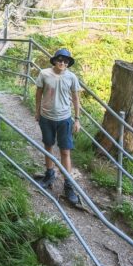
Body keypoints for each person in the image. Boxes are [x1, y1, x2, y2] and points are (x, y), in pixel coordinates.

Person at [34, 47, 82, 206]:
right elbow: (38, 93)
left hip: (64, 119)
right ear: (54, 60)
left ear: (68, 63)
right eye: (60, 60)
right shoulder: (44, 74)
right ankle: (49, 175)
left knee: (65, 151)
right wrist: (37, 111)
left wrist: (77, 119)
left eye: (66, 61)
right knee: (48, 146)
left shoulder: (72, 77)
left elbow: (75, 98)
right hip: (46, 118)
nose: (62, 63)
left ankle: (69, 185)